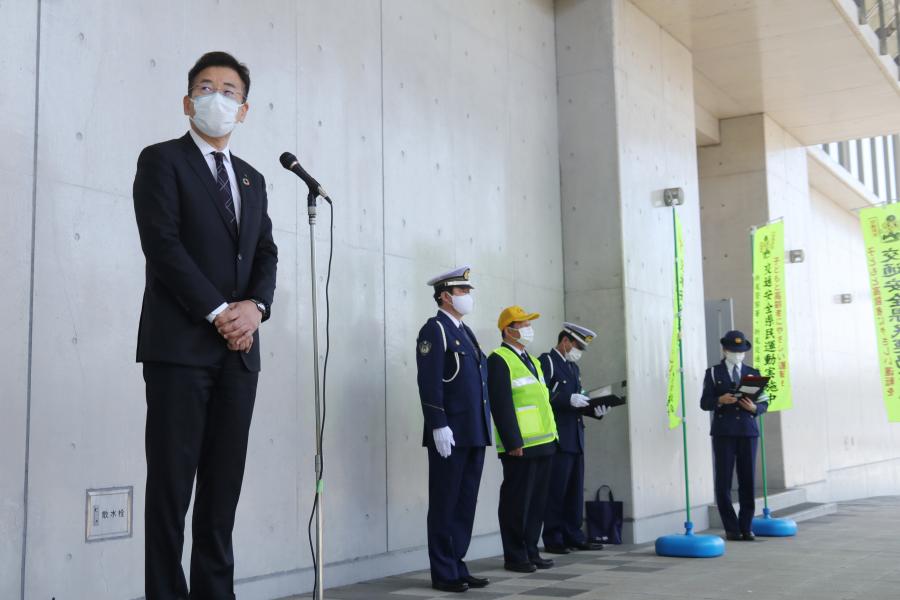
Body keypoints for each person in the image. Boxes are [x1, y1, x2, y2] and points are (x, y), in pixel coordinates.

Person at [133, 51, 278, 599]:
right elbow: (163, 246)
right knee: (171, 491)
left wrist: (255, 309)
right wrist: (221, 312)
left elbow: (266, 253)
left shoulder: (253, 178)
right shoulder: (162, 161)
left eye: (230, 91)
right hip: (180, 351)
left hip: (239, 358)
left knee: (222, 492)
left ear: (243, 110)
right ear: (187, 100)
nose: (218, 97)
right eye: (206, 87)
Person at [415, 266, 492, 593]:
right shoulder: (435, 330)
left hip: (473, 431)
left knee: (465, 503)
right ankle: (443, 571)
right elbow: (429, 381)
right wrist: (438, 424)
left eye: (467, 291)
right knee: (446, 502)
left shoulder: (465, 331)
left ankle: (457, 562)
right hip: (450, 433)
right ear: (445, 296)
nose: (467, 297)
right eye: (462, 292)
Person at [488, 306, 558, 573]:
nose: (528, 328)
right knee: (517, 503)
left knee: (537, 502)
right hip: (520, 446)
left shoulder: (533, 360)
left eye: (529, 323)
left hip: (544, 442)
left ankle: (531, 550)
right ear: (508, 329)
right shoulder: (499, 359)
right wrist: (512, 440)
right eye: (523, 323)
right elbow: (501, 404)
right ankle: (515, 556)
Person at [540, 322, 607, 554]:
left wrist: (594, 410)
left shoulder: (573, 369)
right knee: (556, 490)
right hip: (558, 437)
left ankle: (573, 534)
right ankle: (554, 537)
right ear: (565, 341)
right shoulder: (547, 361)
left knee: (574, 491)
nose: (578, 351)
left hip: (575, 437)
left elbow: (579, 401)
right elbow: (542, 394)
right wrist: (566, 399)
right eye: (577, 345)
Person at [700, 330, 769, 542]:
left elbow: (765, 403)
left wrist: (753, 408)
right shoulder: (713, 373)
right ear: (724, 350)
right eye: (733, 351)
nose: (737, 355)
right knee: (724, 481)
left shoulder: (753, 373)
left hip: (748, 432)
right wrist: (720, 400)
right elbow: (704, 403)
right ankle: (731, 528)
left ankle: (746, 526)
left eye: (741, 351)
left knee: (747, 480)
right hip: (724, 432)